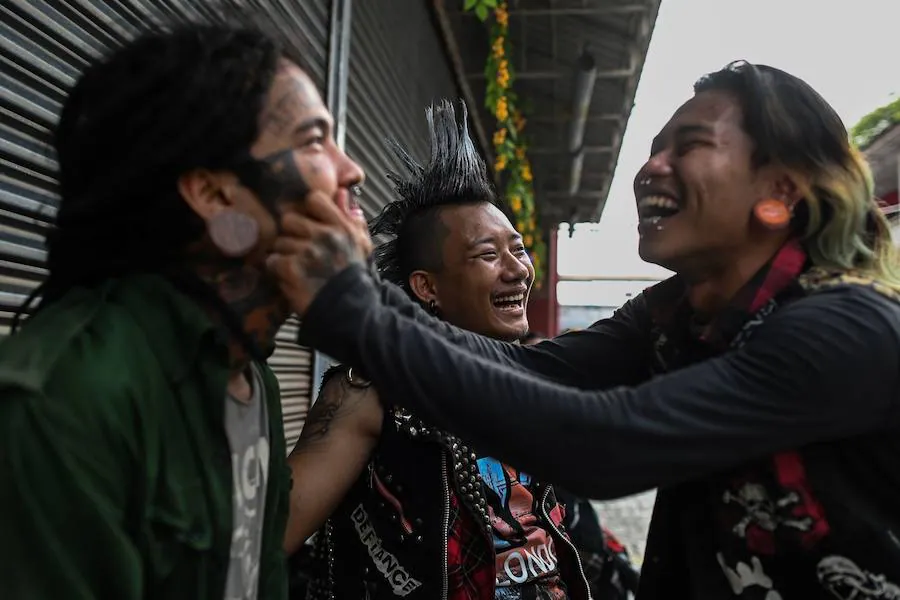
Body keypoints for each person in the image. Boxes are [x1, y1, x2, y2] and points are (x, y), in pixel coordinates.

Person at [266, 60, 900, 599]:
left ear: (780, 191)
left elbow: (604, 443)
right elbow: (530, 372)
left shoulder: (842, 328)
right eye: (654, 148)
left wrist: (356, 306)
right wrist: (368, 303)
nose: (651, 168)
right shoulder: (669, 317)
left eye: (690, 146)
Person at [0, 22, 365, 600]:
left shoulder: (253, 379)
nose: (352, 171)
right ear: (217, 197)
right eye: (315, 139)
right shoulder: (63, 401)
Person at [284, 100, 590, 600]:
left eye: (517, 248)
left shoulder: (529, 377)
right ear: (428, 287)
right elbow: (270, 531)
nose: (517, 270)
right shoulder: (373, 389)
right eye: (487, 255)